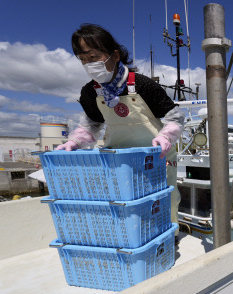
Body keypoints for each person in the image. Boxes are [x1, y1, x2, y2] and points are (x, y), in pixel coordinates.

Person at [57, 24, 184, 238]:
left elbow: (175, 116)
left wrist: (165, 136)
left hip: (156, 156)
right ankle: (131, 239)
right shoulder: (90, 92)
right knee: (123, 202)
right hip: (119, 159)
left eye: (94, 56)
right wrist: (75, 142)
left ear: (115, 55)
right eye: (83, 59)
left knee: (164, 199)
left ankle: (168, 239)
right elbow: (91, 124)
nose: (89, 64)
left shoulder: (142, 84)